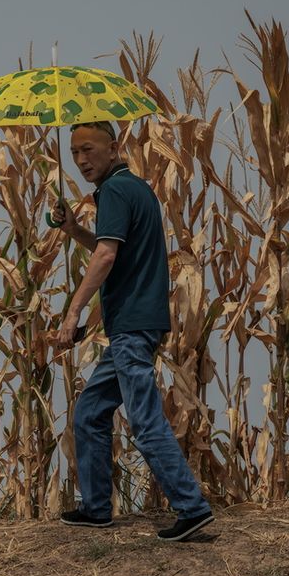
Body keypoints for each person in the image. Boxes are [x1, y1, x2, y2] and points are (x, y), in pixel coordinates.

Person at [52, 120, 214, 542]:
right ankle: (97, 508)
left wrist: (72, 314)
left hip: (132, 325)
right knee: (90, 411)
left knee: (143, 418)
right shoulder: (133, 189)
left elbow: (106, 257)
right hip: (135, 323)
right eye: (74, 154)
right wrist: (73, 230)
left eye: (89, 149)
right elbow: (114, 248)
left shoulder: (117, 192)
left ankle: (192, 508)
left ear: (114, 146)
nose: (82, 160)